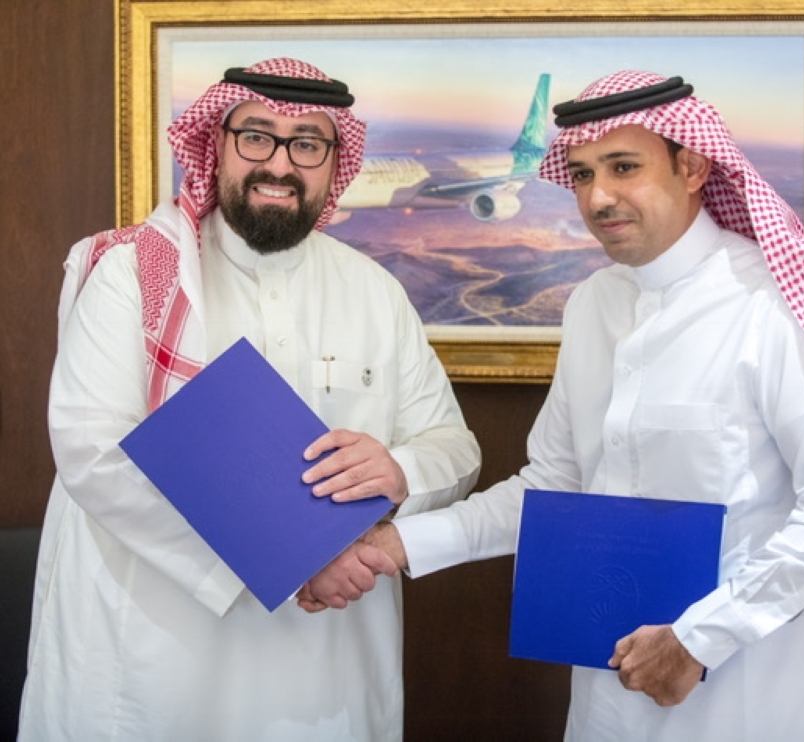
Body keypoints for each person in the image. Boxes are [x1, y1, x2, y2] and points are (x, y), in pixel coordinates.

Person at [346, 71, 804, 740]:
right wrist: (396, 543)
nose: (598, 197)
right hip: (611, 677)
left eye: (624, 168)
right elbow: (555, 487)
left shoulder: (775, 306)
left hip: (751, 680)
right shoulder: (594, 305)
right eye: (584, 174)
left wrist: (700, 640)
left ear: (693, 164)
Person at [19, 57, 480, 741]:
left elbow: (456, 448)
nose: (280, 164)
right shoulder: (131, 276)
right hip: (156, 657)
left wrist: (401, 471)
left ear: (333, 162)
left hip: (329, 659)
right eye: (257, 136)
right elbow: (94, 453)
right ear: (218, 143)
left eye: (307, 144)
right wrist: (295, 560)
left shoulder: (375, 291)